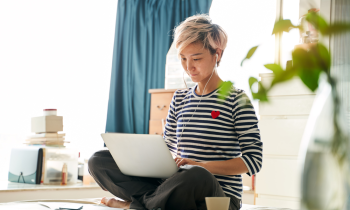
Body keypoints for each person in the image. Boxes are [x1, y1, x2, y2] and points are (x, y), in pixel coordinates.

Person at [88, 14, 263, 210]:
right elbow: (168, 146)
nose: (189, 67)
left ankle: (135, 205)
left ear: (218, 54)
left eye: (196, 58)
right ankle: (151, 204)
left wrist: (202, 165)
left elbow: (253, 161)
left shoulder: (236, 99)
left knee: (195, 174)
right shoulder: (179, 98)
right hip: (175, 186)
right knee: (98, 160)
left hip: (216, 197)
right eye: (183, 58)